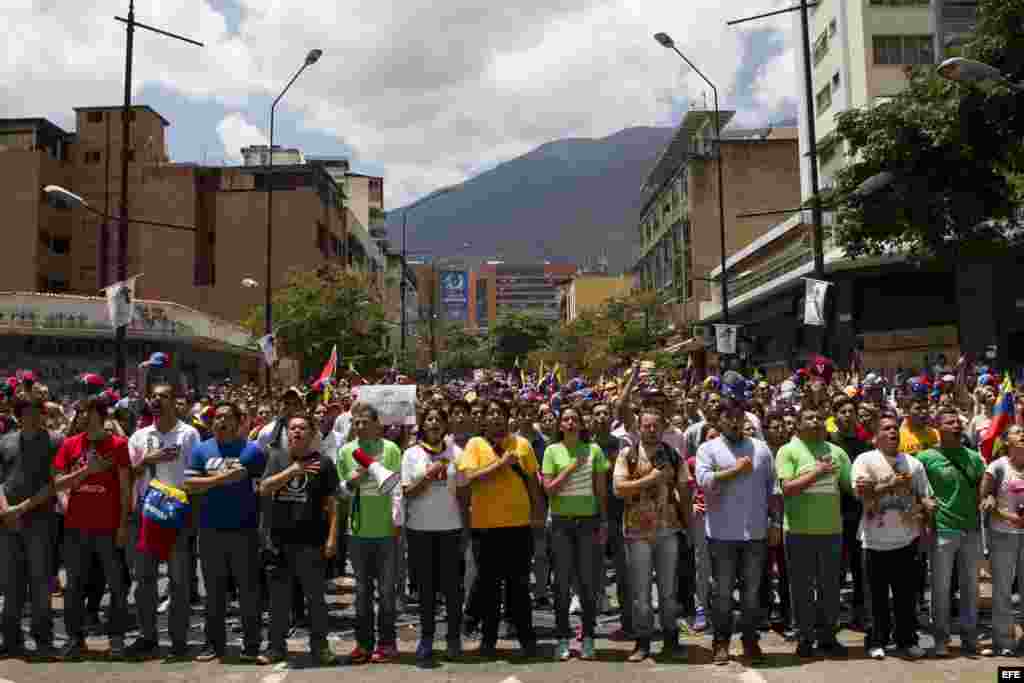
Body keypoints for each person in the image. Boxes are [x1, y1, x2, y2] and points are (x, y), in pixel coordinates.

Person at [456, 399, 542, 660]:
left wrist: (539, 516)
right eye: (490, 413)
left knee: (519, 586)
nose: (495, 418)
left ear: (507, 418)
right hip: (485, 527)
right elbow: (468, 478)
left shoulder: (523, 445)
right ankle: (488, 639)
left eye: (499, 413)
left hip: (519, 526)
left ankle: (527, 639)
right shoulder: (474, 445)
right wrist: (501, 464)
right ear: (484, 420)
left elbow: (533, 484)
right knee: (489, 588)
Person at [183, 401, 266, 663]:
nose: (220, 422)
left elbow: (265, 488)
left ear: (239, 420)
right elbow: (190, 484)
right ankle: (213, 644)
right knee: (214, 592)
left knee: (248, 591)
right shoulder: (201, 449)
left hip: (245, 531)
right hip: (210, 531)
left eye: (226, 417)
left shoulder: (253, 451)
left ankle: (252, 644)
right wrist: (221, 479)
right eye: (216, 418)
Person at [696, 397, 777, 665]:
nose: (733, 421)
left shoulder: (762, 449)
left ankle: (750, 641)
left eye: (738, 416)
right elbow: (704, 480)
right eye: (727, 417)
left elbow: (772, 490)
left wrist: (775, 523)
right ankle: (721, 642)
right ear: (718, 421)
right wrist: (734, 470)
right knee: (722, 593)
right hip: (721, 534)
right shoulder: (708, 449)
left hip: (755, 533)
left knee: (752, 593)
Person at [124, 383, 201, 661]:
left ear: (174, 402)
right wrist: (148, 459)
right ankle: (147, 636)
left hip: (178, 515)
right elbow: (131, 473)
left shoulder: (189, 434)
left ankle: (178, 639)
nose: (157, 401)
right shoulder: (139, 436)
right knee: (144, 580)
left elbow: (197, 473)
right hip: (148, 515)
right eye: (154, 397)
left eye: (164, 397)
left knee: (179, 582)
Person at [52, 395, 132, 660]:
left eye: (85, 412)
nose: (80, 417)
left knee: (117, 584)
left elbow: (124, 488)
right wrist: (69, 497)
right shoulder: (69, 444)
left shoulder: (118, 445)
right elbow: (59, 483)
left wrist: (122, 526)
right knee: (74, 585)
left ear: (99, 414)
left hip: (109, 528)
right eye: (79, 413)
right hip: (76, 528)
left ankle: (117, 638)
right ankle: (75, 639)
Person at [257, 413, 340, 666]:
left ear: (312, 434)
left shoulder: (324, 463)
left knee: (315, 600)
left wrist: (332, 538)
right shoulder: (277, 458)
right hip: (280, 542)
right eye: (292, 428)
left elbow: (334, 504)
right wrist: (292, 471)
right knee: (279, 602)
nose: (296, 432)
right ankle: (276, 648)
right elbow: (264, 487)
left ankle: (321, 647)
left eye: (302, 428)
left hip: (312, 543)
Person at [852, 411, 933, 660]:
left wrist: (928, 506)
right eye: (886, 429)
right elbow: (861, 494)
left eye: (895, 428)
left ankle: (907, 640)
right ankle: (876, 641)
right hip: (873, 541)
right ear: (875, 437)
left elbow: (924, 494)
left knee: (905, 597)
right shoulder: (864, 460)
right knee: (875, 597)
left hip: (906, 540)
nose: (892, 432)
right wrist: (890, 485)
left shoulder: (914, 464)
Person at [613, 406, 689, 662]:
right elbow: (619, 489)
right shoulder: (628, 454)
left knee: (669, 593)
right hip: (637, 534)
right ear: (639, 427)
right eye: (646, 425)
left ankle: (671, 639)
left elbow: (684, 491)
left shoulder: (674, 455)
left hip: (668, 531)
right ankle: (642, 642)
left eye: (656, 425)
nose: (651, 429)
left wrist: (686, 525)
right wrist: (653, 479)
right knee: (641, 594)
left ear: (663, 427)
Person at [776, 406, 852, 658]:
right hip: (798, 531)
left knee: (830, 587)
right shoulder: (788, 451)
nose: (816, 420)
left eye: (819, 417)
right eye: (810, 417)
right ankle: (805, 637)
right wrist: (817, 473)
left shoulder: (837, 452)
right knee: (801, 588)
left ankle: (828, 637)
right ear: (798, 424)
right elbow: (787, 488)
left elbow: (851, 487)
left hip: (831, 531)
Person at [337, 403, 404, 665]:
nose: (360, 426)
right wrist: (353, 480)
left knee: (387, 591)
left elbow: (397, 489)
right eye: (356, 422)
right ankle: (363, 644)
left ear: (378, 424)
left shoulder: (391, 449)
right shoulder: (345, 451)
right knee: (362, 592)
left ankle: (387, 644)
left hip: (387, 531)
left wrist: (398, 522)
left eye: (365, 422)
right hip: (357, 531)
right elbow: (341, 492)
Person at [541, 407, 609, 661]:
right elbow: (549, 490)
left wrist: (603, 522)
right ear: (560, 425)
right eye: (566, 419)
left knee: (588, 582)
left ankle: (589, 637)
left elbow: (601, 491)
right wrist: (570, 468)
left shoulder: (594, 451)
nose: (570, 423)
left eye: (574, 419)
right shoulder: (551, 451)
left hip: (589, 523)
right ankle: (562, 638)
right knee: (561, 584)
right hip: (561, 524)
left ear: (581, 424)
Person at [917, 407, 985, 657]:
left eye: (958, 422)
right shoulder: (925, 458)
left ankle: (969, 638)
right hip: (942, 530)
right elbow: (916, 490)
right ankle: (941, 639)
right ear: (938, 427)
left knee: (970, 587)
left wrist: (986, 501)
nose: (956, 425)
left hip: (971, 530)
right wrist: (924, 506)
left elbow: (982, 489)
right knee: (940, 587)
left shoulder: (974, 458)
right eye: (949, 422)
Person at [401, 406, 465, 668]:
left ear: (445, 425)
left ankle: (453, 639)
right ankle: (426, 638)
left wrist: (467, 529)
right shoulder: (412, 454)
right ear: (423, 425)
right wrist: (428, 475)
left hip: (451, 528)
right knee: (425, 589)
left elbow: (464, 492)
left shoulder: (457, 453)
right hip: (420, 530)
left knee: (452, 588)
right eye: (429, 420)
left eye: (438, 420)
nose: (434, 423)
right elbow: (407, 491)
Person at [0, 397, 62, 660]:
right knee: (11, 583)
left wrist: (22, 508)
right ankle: (11, 640)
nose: (34, 417)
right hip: (7, 522)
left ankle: (43, 638)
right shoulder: (5, 442)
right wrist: (5, 510)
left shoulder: (55, 440)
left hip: (41, 519)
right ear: (18, 415)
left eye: (38, 412)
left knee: (40, 581)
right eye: (28, 413)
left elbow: (55, 482)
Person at [980, 424, 1024, 656]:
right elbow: (985, 497)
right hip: (1002, 534)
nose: (1023, 433)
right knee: (1003, 590)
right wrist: (1003, 514)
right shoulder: (997, 467)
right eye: (1017, 432)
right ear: (1007, 441)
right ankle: (1003, 641)